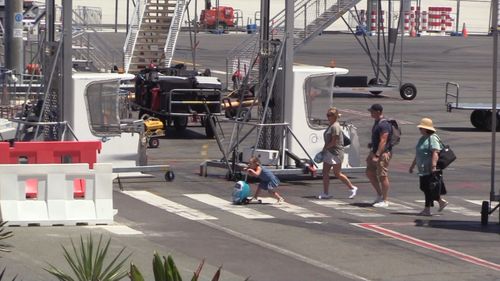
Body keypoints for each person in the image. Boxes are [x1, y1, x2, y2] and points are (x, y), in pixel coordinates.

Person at [409, 118, 448, 216]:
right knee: (424, 187)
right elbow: (418, 154)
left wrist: (433, 166)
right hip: (422, 168)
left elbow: (436, 152)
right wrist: (412, 166)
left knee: (427, 188)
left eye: (421, 128)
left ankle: (427, 209)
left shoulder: (432, 138)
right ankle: (440, 202)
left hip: (430, 169)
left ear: (426, 128)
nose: (420, 130)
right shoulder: (422, 138)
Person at [318, 107, 358, 199]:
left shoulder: (335, 126)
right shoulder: (331, 125)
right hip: (330, 152)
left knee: (337, 173)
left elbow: (334, 142)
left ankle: (352, 187)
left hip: (335, 153)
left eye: (330, 115)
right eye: (327, 115)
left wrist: (325, 148)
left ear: (335, 116)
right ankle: (326, 193)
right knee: (325, 172)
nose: (328, 117)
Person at [366, 104, 392, 207]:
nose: (370, 113)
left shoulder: (384, 124)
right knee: (369, 172)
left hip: (382, 153)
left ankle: (385, 200)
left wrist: (377, 155)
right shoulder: (377, 122)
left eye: (372, 111)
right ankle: (379, 195)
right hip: (374, 151)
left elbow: (383, 140)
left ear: (378, 112)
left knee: (382, 176)